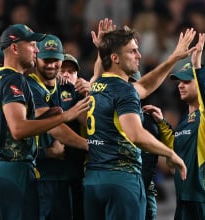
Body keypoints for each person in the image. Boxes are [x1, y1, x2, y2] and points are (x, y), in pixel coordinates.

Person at [84, 21, 196, 219]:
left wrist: (172, 59)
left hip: (93, 181)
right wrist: (170, 153)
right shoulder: (124, 90)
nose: (139, 55)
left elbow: (144, 86)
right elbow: (136, 135)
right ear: (115, 58)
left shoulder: (96, 84)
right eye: (133, 51)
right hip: (122, 181)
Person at [0, 24, 90, 220]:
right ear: (15, 48)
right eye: (32, 45)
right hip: (14, 169)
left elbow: (5, 124)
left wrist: (46, 116)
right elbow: (18, 129)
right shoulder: (15, 80)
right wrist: (63, 117)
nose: (36, 50)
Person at [143, 33, 205, 220]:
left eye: (187, 81)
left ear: (200, 83)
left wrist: (198, 67)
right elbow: (175, 153)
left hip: (203, 198)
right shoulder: (184, 120)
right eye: (179, 81)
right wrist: (162, 123)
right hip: (183, 198)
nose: (180, 85)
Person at [27, 34, 89, 220]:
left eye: (56, 60)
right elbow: (56, 128)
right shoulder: (29, 86)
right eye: (46, 59)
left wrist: (90, 93)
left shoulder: (69, 89)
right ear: (36, 58)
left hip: (74, 175)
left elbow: (88, 120)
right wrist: (90, 144)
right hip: (43, 177)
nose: (52, 65)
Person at [57, 53, 90, 220]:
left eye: (72, 71)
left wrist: (90, 94)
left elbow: (94, 125)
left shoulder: (84, 95)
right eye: (62, 70)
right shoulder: (47, 93)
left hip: (79, 173)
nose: (66, 74)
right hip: (53, 173)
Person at [129, 72, 159, 220]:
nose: (127, 87)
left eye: (132, 83)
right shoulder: (105, 118)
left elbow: (147, 168)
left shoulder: (147, 122)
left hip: (141, 193)